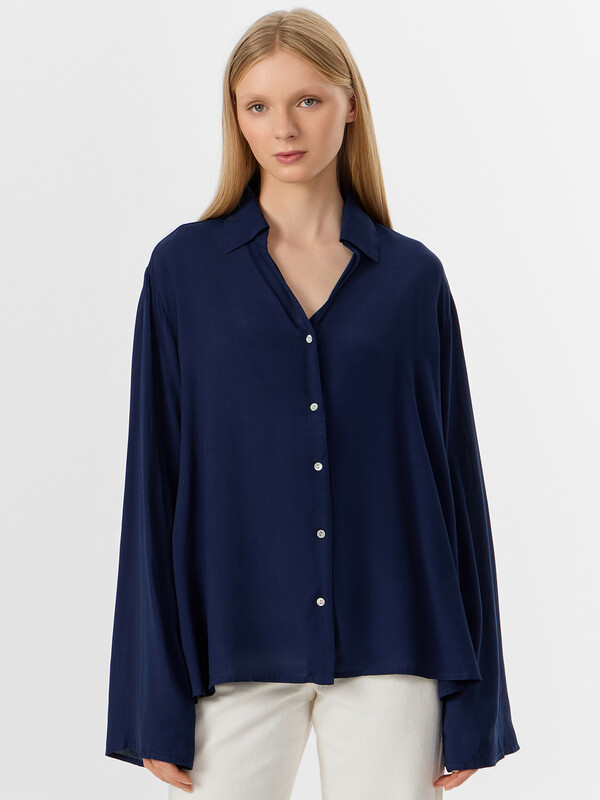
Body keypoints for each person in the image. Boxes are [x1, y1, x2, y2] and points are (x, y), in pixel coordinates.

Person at [105, 8, 520, 799]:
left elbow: (457, 492)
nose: (283, 128)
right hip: (231, 648)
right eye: (257, 105)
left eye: (308, 100)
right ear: (235, 118)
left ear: (350, 104)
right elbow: (152, 483)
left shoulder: (412, 280)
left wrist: (478, 707)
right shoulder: (183, 272)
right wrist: (148, 702)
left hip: (393, 644)